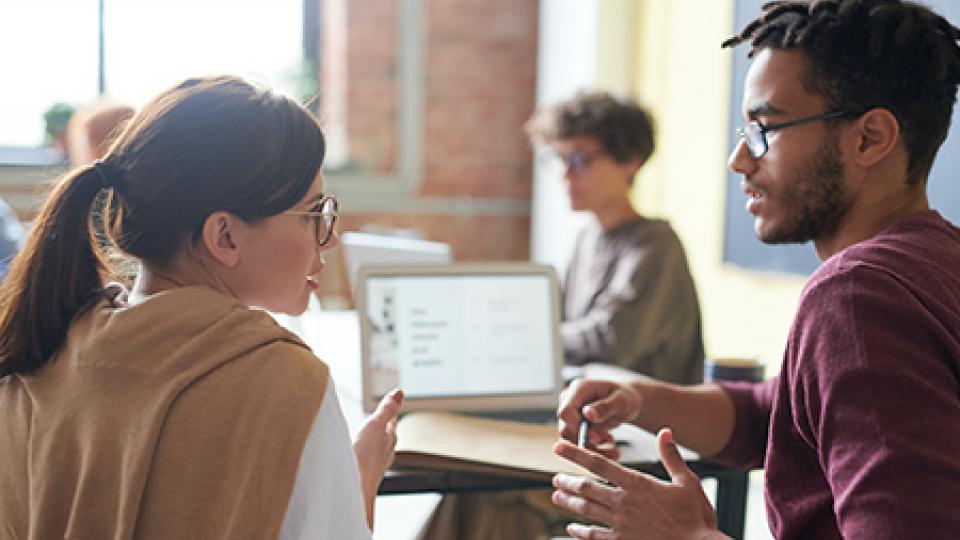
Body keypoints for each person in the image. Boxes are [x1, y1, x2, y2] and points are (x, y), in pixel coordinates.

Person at [549, 1, 960, 538]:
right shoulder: (935, 260)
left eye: (765, 129)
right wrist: (640, 400)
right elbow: (777, 412)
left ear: (870, 139)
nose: (739, 159)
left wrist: (690, 536)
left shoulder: (858, 295)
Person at [0, 75, 402, 539]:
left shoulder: (40, 346)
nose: (328, 237)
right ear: (224, 236)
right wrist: (359, 482)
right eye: (313, 214)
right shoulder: (288, 386)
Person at [526, 92, 704, 384]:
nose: (566, 176)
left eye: (581, 160)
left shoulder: (656, 245)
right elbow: (558, 321)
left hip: (646, 423)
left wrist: (532, 335)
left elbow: (611, 342)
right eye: (561, 159)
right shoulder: (586, 238)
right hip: (594, 410)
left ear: (629, 161)